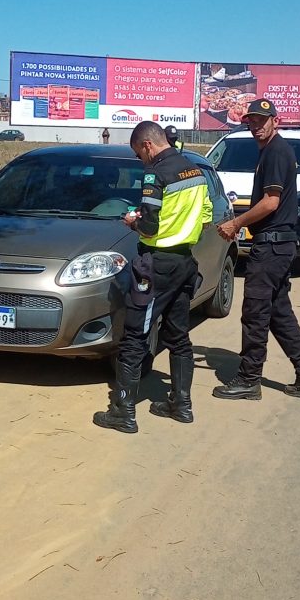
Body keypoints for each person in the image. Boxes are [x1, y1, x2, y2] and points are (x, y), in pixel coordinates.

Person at [93, 121, 212, 433]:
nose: (140, 160)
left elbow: (150, 227)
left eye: (138, 154)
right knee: (179, 336)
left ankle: (123, 411)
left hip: (156, 264)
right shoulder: (195, 171)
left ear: (147, 145)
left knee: (135, 335)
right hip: (185, 261)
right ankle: (181, 404)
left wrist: (134, 222)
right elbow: (206, 215)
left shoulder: (155, 174)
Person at [212, 98, 300, 401]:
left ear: (275, 120)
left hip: (273, 245)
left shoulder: (276, 152)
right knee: (278, 313)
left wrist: (236, 223)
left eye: (262, 120)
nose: (256, 126)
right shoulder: (272, 151)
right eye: (251, 121)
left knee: (255, 313)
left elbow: (271, 203)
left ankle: (249, 379)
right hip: (278, 243)